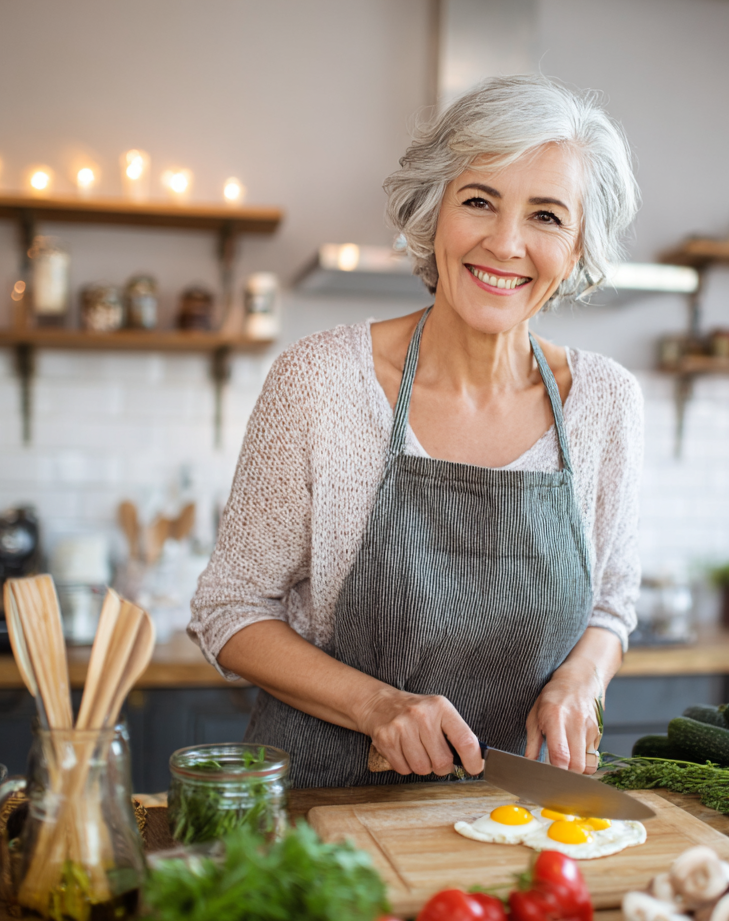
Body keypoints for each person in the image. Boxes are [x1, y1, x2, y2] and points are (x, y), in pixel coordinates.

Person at [189, 75, 643, 789]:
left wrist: (579, 683)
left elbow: (613, 605)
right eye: (479, 201)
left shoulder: (607, 405)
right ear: (433, 214)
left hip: (515, 809)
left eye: (547, 216)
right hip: (326, 811)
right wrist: (378, 707)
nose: (506, 242)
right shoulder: (320, 382)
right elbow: (229, 609)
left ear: (580, 244)